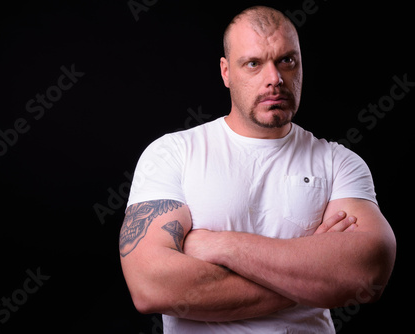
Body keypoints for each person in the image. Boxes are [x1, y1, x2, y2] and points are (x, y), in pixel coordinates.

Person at [119, 5, 396, 333]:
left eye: (286, 61)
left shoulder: (339, 162)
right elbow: (150, 286)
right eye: (253, 63)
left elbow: (368, 274)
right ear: (226, 72)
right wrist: (317, 279)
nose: (275, 79)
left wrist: (222, 245)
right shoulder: (173, 154)